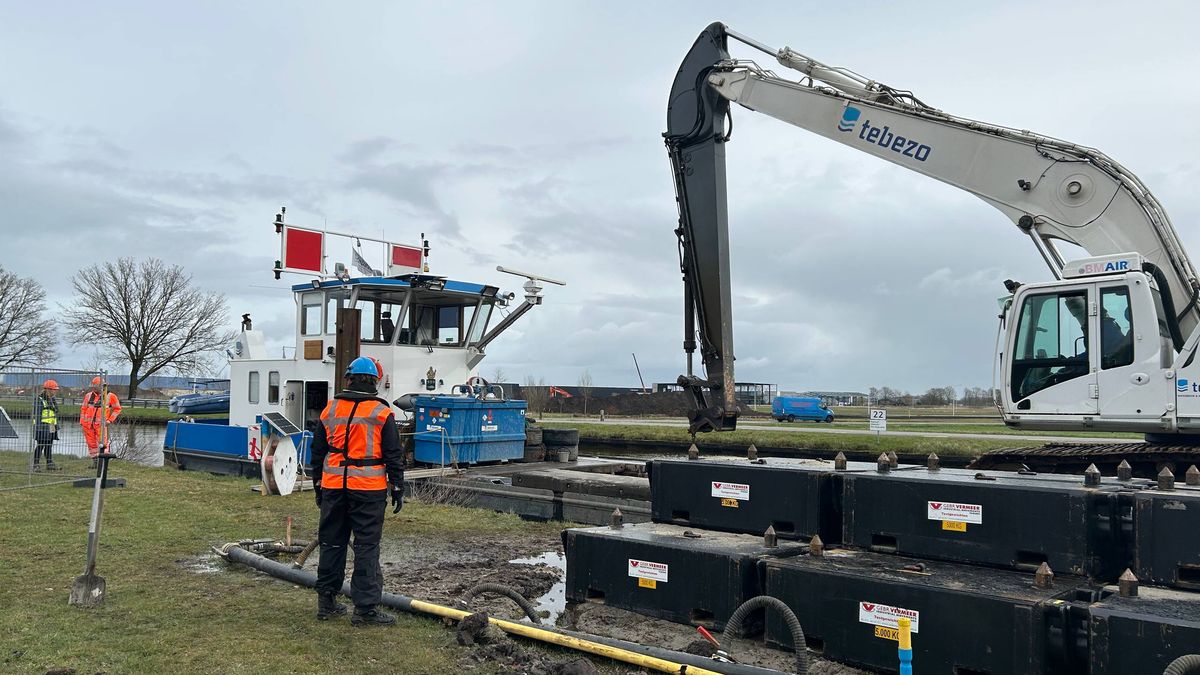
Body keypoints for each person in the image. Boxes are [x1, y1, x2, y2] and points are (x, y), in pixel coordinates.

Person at [310, 356, 404, 625]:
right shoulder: (381, 413)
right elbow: (393, 455)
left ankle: (326, 603)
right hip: (368, 489)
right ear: (374, 382)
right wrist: (397, 487)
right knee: (366, 547)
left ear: (349, 379)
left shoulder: (330, 410)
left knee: (332, 543)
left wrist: (319, 484)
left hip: (333, 487)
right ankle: (365, 610)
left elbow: (317, 453)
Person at [81, 377, 122, 464]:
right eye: (94, 386)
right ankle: (95, 462)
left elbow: (117, 409)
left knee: (103, 444)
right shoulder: (88, 396)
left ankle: (103, 463)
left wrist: (110, 420)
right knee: (91, 444)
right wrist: (82, 422)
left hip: (101, 425)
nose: (94, 388)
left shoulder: (110, 396)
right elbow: (83, 409)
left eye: (96, 386)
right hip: (88, 425)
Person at [33, 380, 60, 471]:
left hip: (51, 426)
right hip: (42, 427)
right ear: (48, 390)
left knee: (49, 445)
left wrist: (56, 427)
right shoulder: (39, 400)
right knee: (40, 445)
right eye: (54, 389)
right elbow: (37, 415)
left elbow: (54, 412)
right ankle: (35, 464)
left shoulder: (52, 400)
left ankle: (49, 463)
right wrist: (38, 428)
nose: (55, 391)